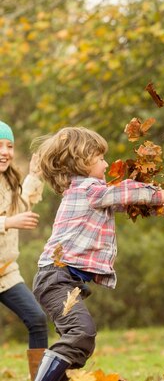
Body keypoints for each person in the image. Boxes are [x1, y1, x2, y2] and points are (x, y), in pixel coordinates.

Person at [29, 127, 164, 381]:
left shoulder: (93, 193)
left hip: (61, 280)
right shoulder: (89, 189)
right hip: (56, 280)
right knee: (81, 334)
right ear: (81, 161)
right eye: (100, 158)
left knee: (78, 339)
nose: (106, 163)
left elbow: (132, 203)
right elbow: (129, 192)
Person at [0, 120, 49, 380]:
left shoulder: (8, 180)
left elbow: (21, 205)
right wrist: (7, 222)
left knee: (37, 319)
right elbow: (11, 218)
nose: (5, 151)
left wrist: (35, 174)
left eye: (9, 146)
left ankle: (41, 378)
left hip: (6, 274)